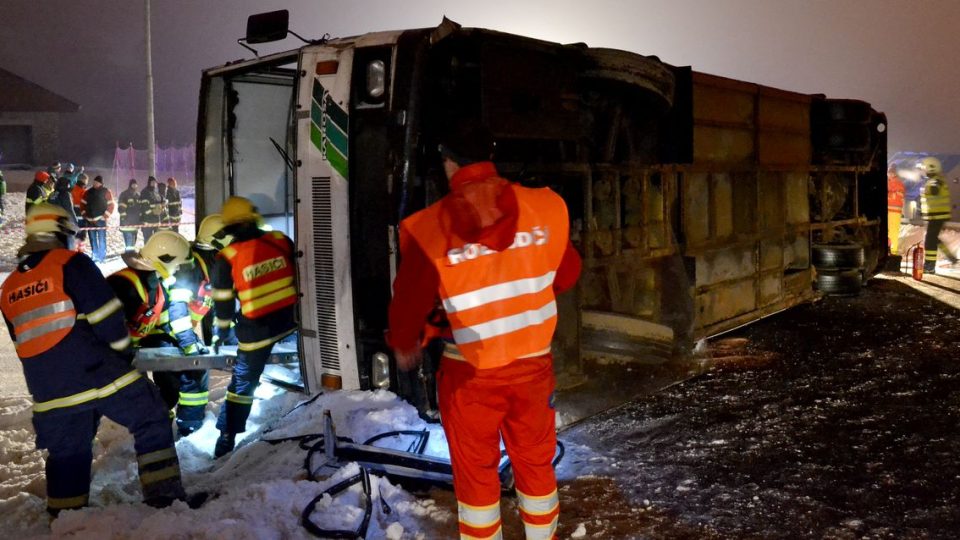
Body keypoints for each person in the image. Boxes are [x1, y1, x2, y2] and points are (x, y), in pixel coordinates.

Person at [387, 122, 582, 539]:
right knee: (535, 466)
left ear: (449, 162)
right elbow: (567, 271)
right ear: (489, 156)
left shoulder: (431, 226)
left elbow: (408, 306)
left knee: (476, 478)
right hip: (533, 368)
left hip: (468, 374)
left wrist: (407, 342)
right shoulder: (544, 208)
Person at [0, 204, 187, 514]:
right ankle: (166, 503)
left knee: (67, 454)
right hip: (98, 372)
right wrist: (126, 354)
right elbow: (107, 316)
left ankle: (65, 520)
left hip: (49, 393)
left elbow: (23, 341)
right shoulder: (71, 263)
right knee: (152, 417)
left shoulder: (8, 287)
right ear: (63, 233)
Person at [210, 197, 297, 457]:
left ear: (229, 228)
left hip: (256, 332)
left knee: (242, 384)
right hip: (291, 322)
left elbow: (223, 302)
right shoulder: (281, 240)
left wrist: (221, 332)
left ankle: (227, 436)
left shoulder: (227, 256)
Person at [107, 231, 206, 435]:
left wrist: (188, 344)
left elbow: (164, 321)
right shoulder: (124, 285)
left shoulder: (156, 283)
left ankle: (165, 426)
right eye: (177, 264)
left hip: (134, 348)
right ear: (165, 260)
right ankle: (155, 434)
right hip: (113, 355)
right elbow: (105, 329)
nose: (179, 269)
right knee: (144, 398)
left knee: (174, 382)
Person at [168, 215, 233, 436]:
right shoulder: (191, 265)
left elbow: (213, 304)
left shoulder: (212, 261)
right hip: (168, 327)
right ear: (218, 239)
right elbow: (176, 305)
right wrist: (188, 342)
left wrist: (227, 335)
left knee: (191, 372)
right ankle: (189, 426)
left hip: (177, 327)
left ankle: (187, 422)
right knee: (193, 371)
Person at [918, 156, 955, 274]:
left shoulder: (936, 181)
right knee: (933, 239)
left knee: (930, 240)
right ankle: (950, 257)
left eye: (924, 168)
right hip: (935, 215)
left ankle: (929, 266)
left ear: (931, 169)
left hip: (937, 216)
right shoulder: (934, 180)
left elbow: (934, 190)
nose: (923, 171)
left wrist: (925, 189)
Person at [80, 176, 115, 263]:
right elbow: (82, 204)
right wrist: (84, 214)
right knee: (92, 238)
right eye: (94, 182)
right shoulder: (88, 192)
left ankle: (102, 256)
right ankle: (95, 255)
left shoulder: (106, 191)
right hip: (89, 220)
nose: (94, 183)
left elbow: (111, 205)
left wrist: (105, 216)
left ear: (101, 183)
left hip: (100, 220)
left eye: (96, 182)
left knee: (102, 238)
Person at [118, 178, 143, 252]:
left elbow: (141, 209)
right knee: (129, 243)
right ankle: (129, 256)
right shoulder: (124, 194)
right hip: (127, 223)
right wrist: (124, 219)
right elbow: (121, 208)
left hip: (135, 223)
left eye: (136, 184)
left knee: (133, 241)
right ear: (130, 185)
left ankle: (130, 254)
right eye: (133, 184)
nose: (135, 185)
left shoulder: (138, 195)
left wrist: (140, 220)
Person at [887, 164, 905, 255]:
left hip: (894, 212)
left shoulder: (898, 183)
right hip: (890, 211)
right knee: (889, 232)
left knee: (893, 232)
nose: (888, 174)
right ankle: (889, 250)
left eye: (890, 172)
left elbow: (898, 196)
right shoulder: (890, 182)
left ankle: (893, 252)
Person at [140, 176, 164, 242]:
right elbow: (144, 207)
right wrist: (154, 212)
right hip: (148, 221)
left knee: (157, 239)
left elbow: (161, 201)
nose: (154, 184)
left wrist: (162, 207)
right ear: (149, 183)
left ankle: (156, 252)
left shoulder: (156, 192)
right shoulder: (145, 192)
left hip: (156, 220)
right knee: (148, 240)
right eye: (152, 182)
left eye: (155, 183)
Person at [70, 174, 89, 252]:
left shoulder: (72, 189)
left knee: (74, 234)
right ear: (84, 180)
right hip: (81, 215)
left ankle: (74, 250)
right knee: (82, 235)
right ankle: (80, 251)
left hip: (73, 215)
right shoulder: (83, 191)